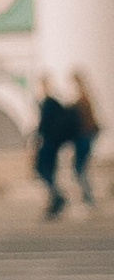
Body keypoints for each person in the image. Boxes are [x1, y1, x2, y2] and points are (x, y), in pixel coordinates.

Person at [36, 66, 101, 216]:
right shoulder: (77, 99)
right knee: (77, 169)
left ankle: (84, 199)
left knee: (77, 169)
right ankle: (80, 198)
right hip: (79, 138)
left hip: (79, 138)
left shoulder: (78, 100)